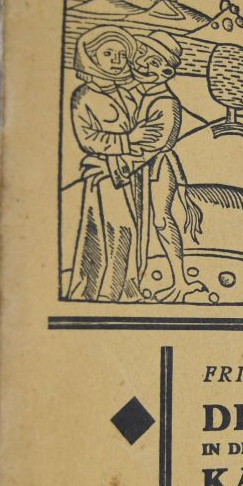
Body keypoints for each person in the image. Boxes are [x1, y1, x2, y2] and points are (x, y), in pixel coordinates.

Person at [66, 25, 163, 301]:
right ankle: (106, 291)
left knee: (127, 230)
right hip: (104, 176)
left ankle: (125, 287)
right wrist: (128, 140)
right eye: (108, 53)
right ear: (91, 57)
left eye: (121, 54)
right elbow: (88, 138)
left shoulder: (126, 93)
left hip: (128, 175)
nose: (116, 60)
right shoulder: (83, 96)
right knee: (113, 231)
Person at [128, 31, 207, 303]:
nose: (143, 65)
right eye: (142, 57)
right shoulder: (145, 95)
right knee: (147, 219)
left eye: (153, 62)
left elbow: (157, 141)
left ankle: (180, 280)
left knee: (161, 220)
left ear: (167, 71)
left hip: (158, 167)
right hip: (145, 166)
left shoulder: (165, 101)